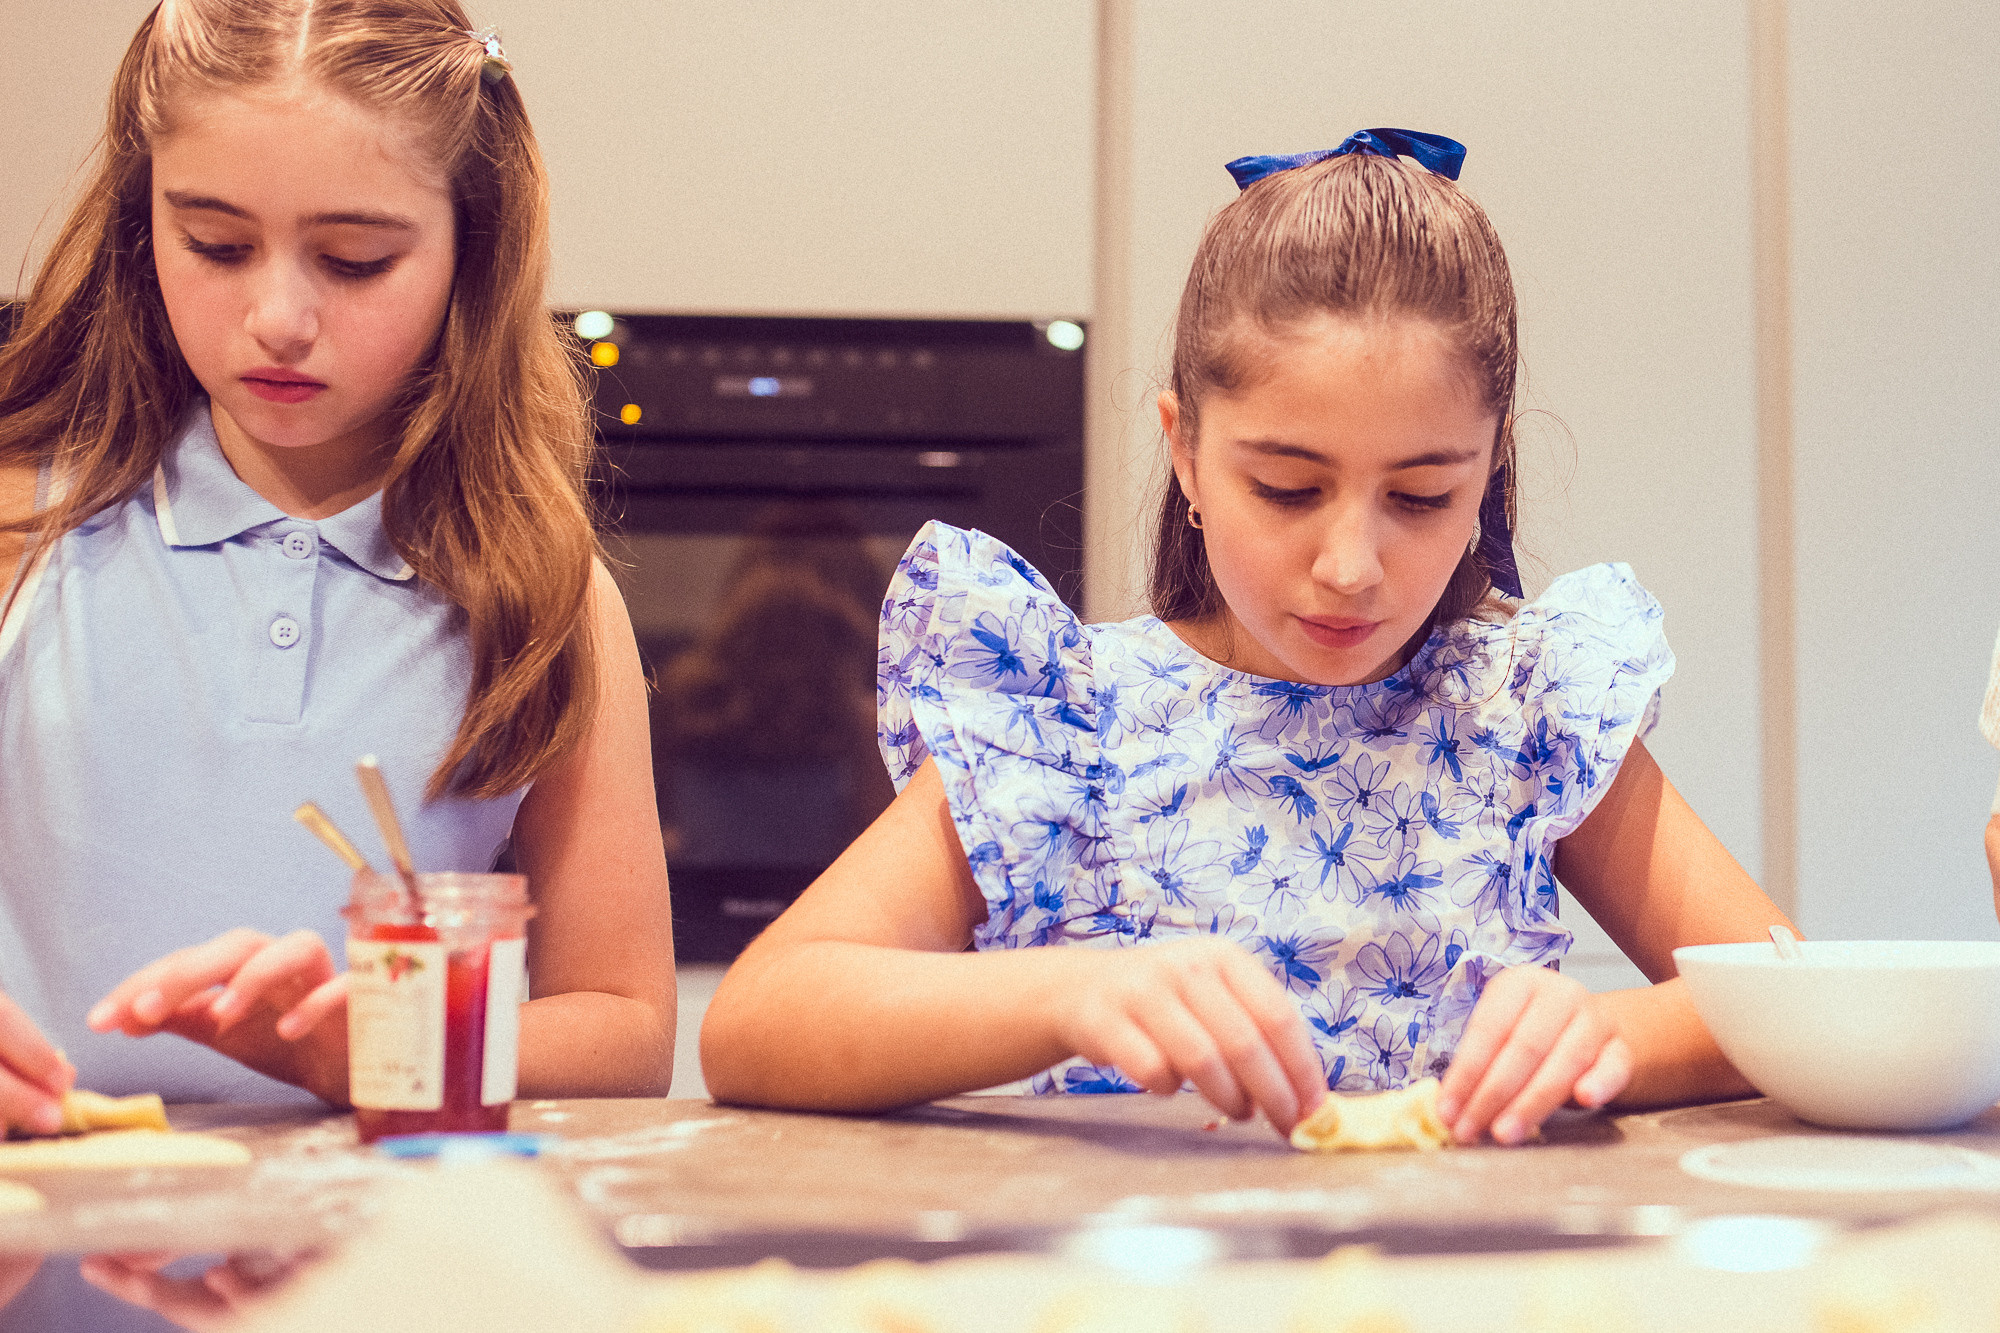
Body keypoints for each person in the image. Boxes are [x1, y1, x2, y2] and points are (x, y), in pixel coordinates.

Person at [700, 129, 1794, 1145]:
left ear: (1487, 469)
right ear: (1184, 449)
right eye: (1284, 486)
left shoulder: (1522, 709)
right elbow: (758, 1022)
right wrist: (1071, 992)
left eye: (1418, 497)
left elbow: (1795, 996)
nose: (1349, 564)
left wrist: (1607, 1039)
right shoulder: (1069, 720)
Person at [0, 0, 675, 1132]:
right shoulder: (24, 527)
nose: (277, 316)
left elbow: (622, 1026)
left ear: (472, 245)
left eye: (356, 260)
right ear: (140, 221)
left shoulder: (545, 599)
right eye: (213, 243)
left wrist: (387, 1042)